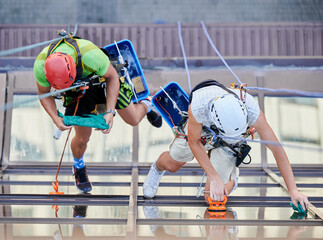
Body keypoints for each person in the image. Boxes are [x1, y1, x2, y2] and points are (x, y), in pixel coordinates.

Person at [143, 79, 309, 212]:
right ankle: (157, 168)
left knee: (211, 197)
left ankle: (231, 178)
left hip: (232, 139)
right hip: (203, 129)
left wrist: (293, 190)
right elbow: (194, 143)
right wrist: (214, 177)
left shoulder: (250, 107)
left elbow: (276, 149)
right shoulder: (198, 107)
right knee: (172, 164)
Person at [34, 35, 162, 193]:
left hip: (103, 80)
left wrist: (109, 112)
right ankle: (78, 166)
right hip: (75, 91)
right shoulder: (41, 66)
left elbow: (112, 77)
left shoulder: (92, 56)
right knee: (82, 139)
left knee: (134, 119)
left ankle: (147, 103)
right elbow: (44, 94)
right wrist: (55, 117)